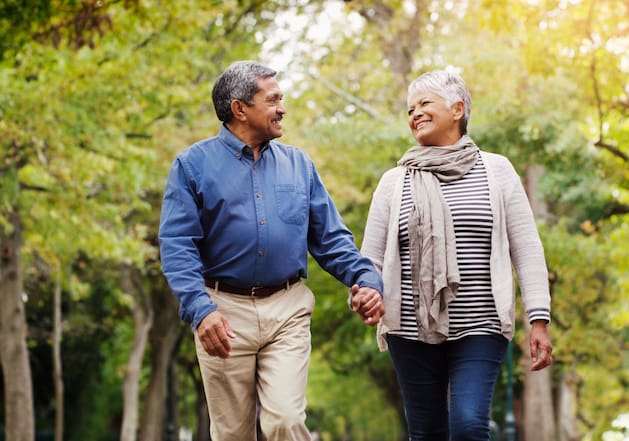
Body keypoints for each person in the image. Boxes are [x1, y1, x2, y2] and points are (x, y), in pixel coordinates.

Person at [158, 60, 384, 441]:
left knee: (284, 421)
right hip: (222, 312)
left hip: (287, 307)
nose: (282, 108)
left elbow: (330, 238)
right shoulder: (192, 166)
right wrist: (201, 310)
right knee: (233, 433)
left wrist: (365, 279)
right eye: (273, 99)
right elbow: (178, 245)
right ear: (239, 109)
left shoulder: (299, 165)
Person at [360, 70, 553, 441]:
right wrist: (366, 292)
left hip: (481, 324)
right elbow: (371, 258)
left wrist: (538, 320)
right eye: (410, 108)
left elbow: (526, 248)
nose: (414, 113)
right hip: (411, 330)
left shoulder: (497, 171)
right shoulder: (393, 182)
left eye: (424, 103)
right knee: (427, 432)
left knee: (468, 426)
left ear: (457, 109)